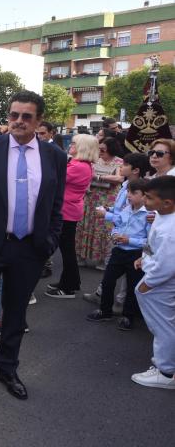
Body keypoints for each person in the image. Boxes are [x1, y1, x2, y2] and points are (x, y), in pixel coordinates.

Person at [0, 90, 67, 401]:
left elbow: (56, 205)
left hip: (29, 247)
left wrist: (50, 241)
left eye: (26, 116)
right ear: (8, 117)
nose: (19, 121)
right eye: (14, 115)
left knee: (16, 314)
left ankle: (7, 368)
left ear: (39, 120)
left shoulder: (54, 156)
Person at [86, 179, 150, 329]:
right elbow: (118, 225)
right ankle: (105, 310)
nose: (129, 195)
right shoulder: (127, 208)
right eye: (128, 192)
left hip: (136, 254)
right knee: (107, 281)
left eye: (134, 193)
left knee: (132, 287)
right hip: (119, 251)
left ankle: (128, 316)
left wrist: (130, 240)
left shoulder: (149, 215)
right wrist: (114, 235)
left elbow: (149, 241)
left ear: (145, 196)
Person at [131, 176, 175, 389]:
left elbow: (167, 264)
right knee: (163, 324)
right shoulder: (161, 215)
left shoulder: (171, 230)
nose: (145, 201)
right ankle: (165, 366)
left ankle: (166, 372)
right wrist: (144, 257)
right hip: (155, 278)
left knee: (163, 326)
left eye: (149, 197)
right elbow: (153, 246)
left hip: (160, 283)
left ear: (167, 202)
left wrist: (149, 283)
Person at [45, 134, 96, 298]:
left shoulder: (79, 166)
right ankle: (68, 282)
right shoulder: (78, 164)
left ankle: (69, 285)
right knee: (66, 249)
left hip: (66, 211)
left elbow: (52, 178)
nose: (70, 145)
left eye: (74, 143)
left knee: (67, 250)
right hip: (68, 209)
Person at [76, 136, 125, 269]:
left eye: (103, 149)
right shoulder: (94, 161)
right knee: (86, 225)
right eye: (99, 149)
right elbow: (85, 175)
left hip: (108, 199)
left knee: (104, 227)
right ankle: (81, 255)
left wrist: (98, 177)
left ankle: (102, 259)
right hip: (91, 196)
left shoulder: (119, 162)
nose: (100, 152)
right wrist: (106, 178)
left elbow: (119, 178)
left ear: (111, 149)